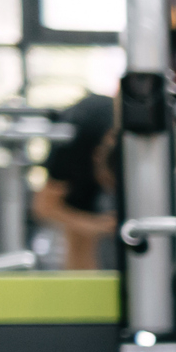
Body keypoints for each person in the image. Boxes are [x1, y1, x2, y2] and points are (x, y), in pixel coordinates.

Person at [32, 94, 120, 271]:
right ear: (95, 157)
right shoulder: (71, 145)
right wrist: (96, 225)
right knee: (80, 233)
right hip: (81, 136)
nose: (108, 188)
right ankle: (84, 293)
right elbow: (43, 208)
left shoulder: (137, 143)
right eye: (106, 182)